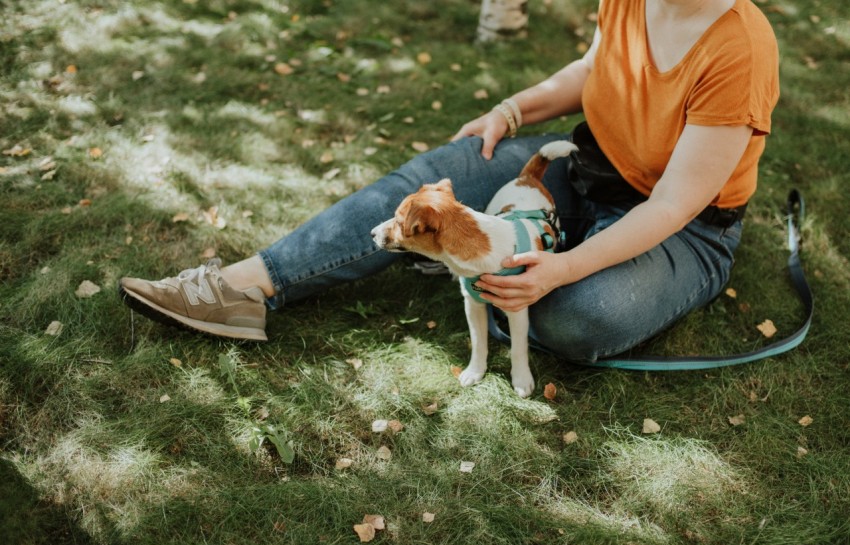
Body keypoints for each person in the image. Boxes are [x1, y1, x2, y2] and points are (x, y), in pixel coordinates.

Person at [120, 0, 779, 363]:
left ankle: (476, 260)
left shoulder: (740, 47)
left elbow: (670, 204)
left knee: (577, 315)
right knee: (447, 172)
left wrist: (565, 268)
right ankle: (241, 288)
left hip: (680, 234)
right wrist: (511, 111)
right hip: (585, 170)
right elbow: (596, 68)